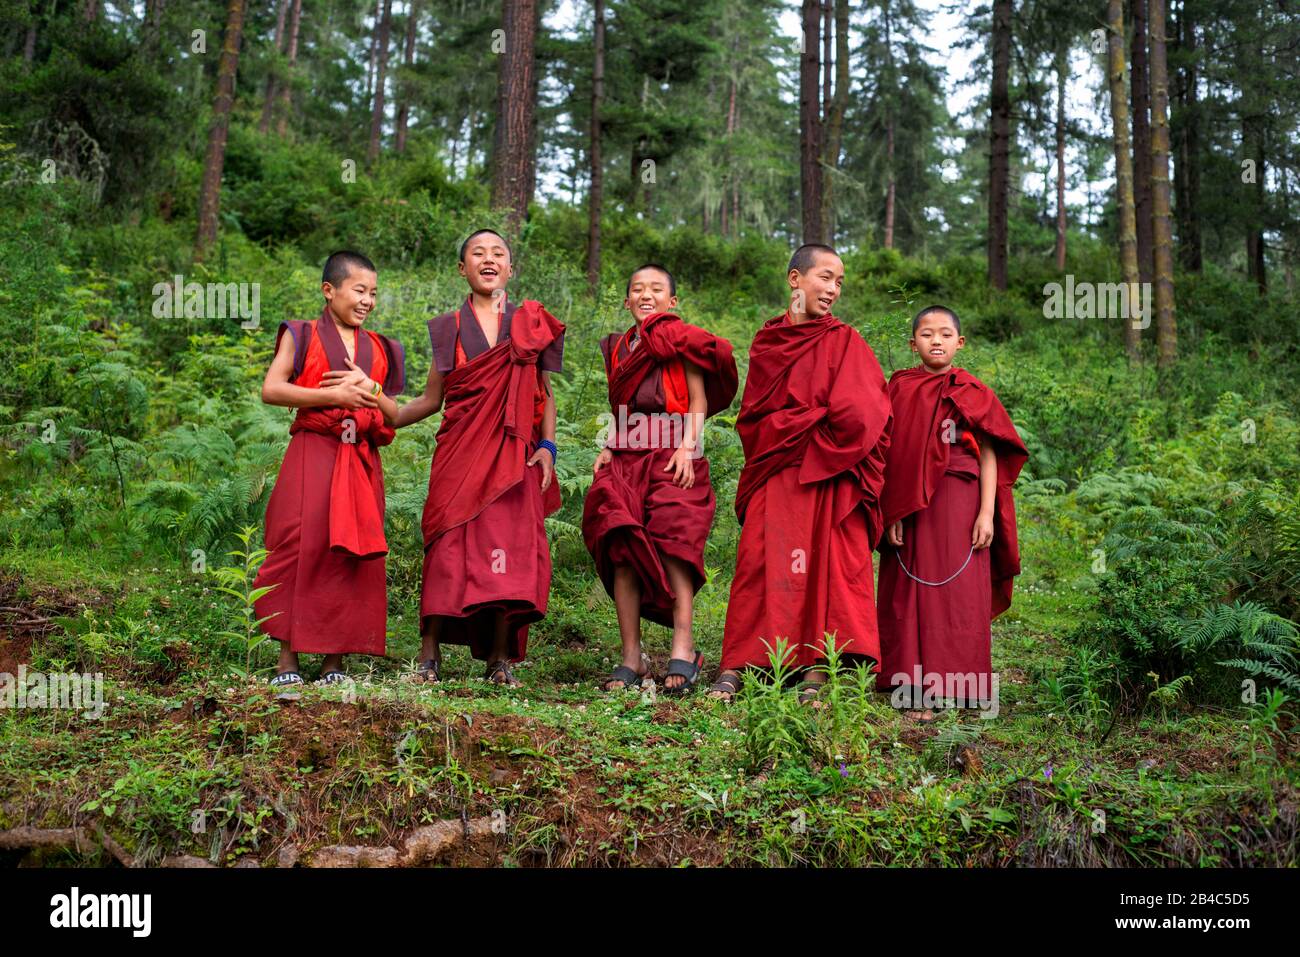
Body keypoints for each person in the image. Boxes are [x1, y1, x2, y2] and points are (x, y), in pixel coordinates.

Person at [710, 244, 892, 704]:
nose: (832, 290)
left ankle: (817, 670)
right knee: (759, 563)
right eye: (825, 277)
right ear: (795, 279)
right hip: (777, 469)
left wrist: (806, 427)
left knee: (826, 566)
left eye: (838, 283)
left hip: (830, 470)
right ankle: (740, 663)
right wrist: (796, 426)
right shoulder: (768, 341)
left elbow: (867, 413)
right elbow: (752, 417)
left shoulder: (846, 340)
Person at [396, 229, 564, 687]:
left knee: (509, 547)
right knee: (447, 543)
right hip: (460, 451)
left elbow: (543, 395)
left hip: (517, 453)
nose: (488, 260)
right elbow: (432, 399)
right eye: (477, 253)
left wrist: (547, 447)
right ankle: (429, 655)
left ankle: (498, 657)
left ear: (511, 268)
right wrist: (383, 414)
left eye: (498, 254)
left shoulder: (532, 322)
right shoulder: (449, 327)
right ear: (462, 268)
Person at [254, 250, 406, 700]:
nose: (367, 301)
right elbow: (272, 389)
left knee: (349, 550)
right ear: (329, 290)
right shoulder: (301, 335)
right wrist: (333, 395)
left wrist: (372, 389)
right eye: (359, 290)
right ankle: (287, 660)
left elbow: (393, 414)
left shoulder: (381, 348)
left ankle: (335, 661)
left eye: (373, 293)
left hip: (358, 459)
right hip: (314, 452)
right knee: (301, 543)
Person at [582, 264, 738, 694]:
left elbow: (699, 399)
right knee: (621, 543)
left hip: (674, 453)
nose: (645, 295)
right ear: (627, 300)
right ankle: (632, 656)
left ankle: (682, 648)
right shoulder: (619, 347)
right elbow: (620, 404)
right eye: (637, 289)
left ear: (673, 302)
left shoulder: (680, 340)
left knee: (676, 544)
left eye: (656, 289)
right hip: (628, 454)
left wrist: (690, 447)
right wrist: (610, 443)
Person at [876, 304, 1028, 722]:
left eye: (945, 334)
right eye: (927, 334)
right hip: (911, 506)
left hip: (961, 503)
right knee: (912, 592)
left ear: (960, 343)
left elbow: (990, 455)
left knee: (959, 595)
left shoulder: (971, 391)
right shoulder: (900, 389)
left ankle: (957, 685)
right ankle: (911, 684)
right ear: (913, 344)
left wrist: (985, 514)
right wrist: (892, 510)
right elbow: (892, 454)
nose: (936, 341)